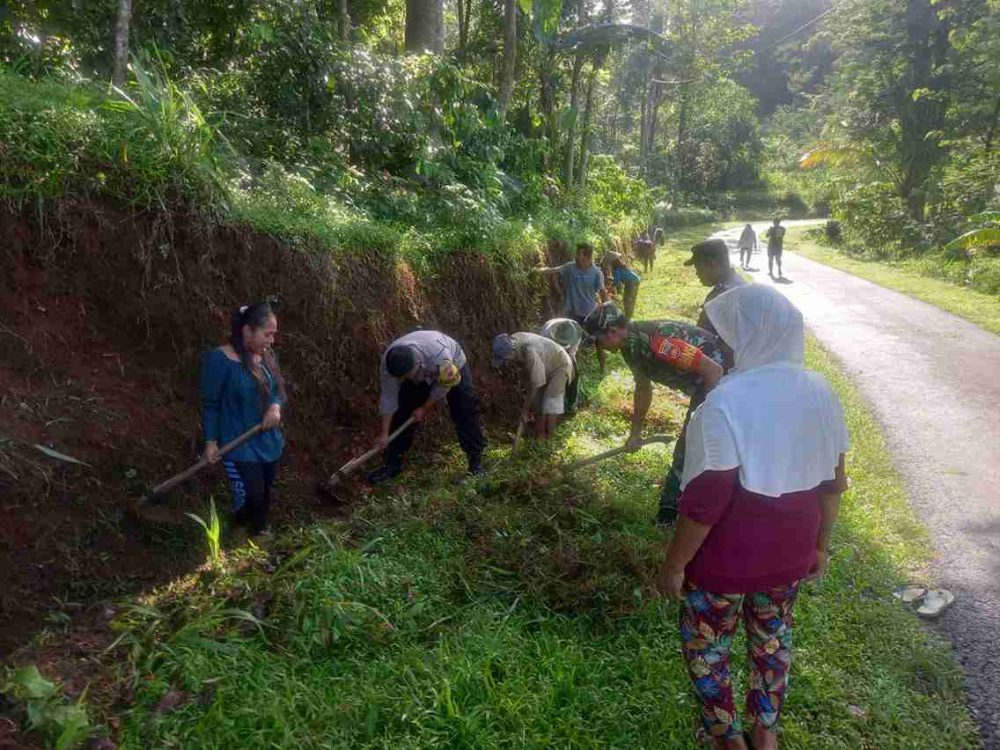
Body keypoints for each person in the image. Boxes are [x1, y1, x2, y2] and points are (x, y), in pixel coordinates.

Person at [657, 284, 849, 750]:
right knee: (772, 640)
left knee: (708, 647)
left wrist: (674, 564)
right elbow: (834, 481)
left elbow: (707, 500)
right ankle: (765, 734)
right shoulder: (821, 391)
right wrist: (821, 546)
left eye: (723, 336)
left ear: (744, 338)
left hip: (724, 561)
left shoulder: (724, 403)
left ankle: (728, 740)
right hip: (790, 554)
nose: (717, 346)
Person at [581, 302, 726, 526]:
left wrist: (705, 413)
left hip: (722, 383)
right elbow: (643, 388)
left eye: (598, 341)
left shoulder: (660, 343)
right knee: (692, 443)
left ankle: (672, 514)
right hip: (704, 386)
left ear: (611, 332)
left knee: (692, 444)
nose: (599, 346)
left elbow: (714, 370)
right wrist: (635, 433)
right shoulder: (630, 347)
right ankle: (673, 509)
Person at [200, 302, 287, 538]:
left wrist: (275, 408)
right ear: (247, 331)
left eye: (273, 335)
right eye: (267, 334)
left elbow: (278, 390)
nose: (271, 341)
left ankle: (258, 534)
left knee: (265, 494)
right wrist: (210, 442)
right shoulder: (219, 360)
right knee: (251, 495)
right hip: (238, 444)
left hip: (268, 440)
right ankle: (241, 532)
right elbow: (211, 405)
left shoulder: (266, 356)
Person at [366, 330, 486, 483]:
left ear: (418, 364)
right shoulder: (389, 364)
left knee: (464, 409)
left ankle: (476, 463)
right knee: (402, 412)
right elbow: (389, 398)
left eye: (408, 376)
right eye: (402, 378)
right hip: (423, 369)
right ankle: (392, 464)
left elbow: (443, 387)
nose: (405, 379)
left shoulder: (442, 358)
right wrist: (384, 434)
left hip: (453, 365)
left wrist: (424, 407)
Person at [537, 242, 608, 372]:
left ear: (588, 257)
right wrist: (537, 270)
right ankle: (572, 371)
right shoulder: (570, 267)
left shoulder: (596, 273)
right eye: (576, 253)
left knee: (598, 342)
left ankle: (603, 369)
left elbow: (603, 292)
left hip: (590, 313)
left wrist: (605, 308)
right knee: (570, 342)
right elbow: (553, 270)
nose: (576, 256)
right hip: (571, 312)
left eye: (579, 254)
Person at [492, 332, 574, 440]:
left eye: (506, 358)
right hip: (544, 364)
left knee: (551, 401)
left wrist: (525, 409)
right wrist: (530, 403)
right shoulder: (512, 342)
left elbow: (536, 384)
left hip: (560, 364)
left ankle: (550, 437)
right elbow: (531, 379)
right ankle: (540, 435)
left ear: (512, 351)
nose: (506, 361)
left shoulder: (529, 351)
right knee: (537, 402)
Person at [684, 238, 747, 336]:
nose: (697, 273)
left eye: (698, 268)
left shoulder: (732, 296)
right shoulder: (722, 288)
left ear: (713, 265)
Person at [539, 317, 584, 413]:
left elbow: (571, 353)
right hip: (548, 352)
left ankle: (572, 403)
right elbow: (543, 353)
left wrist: (569, 370)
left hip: (568, 351)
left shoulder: (576, 333)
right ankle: (543, 404)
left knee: (574, 373)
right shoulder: (546, 334)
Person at [603, 250, 642, 320]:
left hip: (631, 282)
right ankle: (629, 316)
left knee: (628, 300)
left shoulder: (616, 269)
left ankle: (628, 317)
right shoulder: (621, 266)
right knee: (630, 299)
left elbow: (616, 282)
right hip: (634, 281)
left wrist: (608, 290)